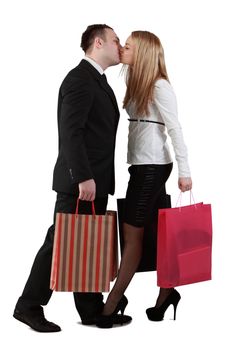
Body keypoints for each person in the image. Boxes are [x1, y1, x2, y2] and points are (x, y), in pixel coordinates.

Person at [13, 24, 132, 332]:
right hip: (82, 183)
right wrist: (83, 177)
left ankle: (90, 308)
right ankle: (28, 306)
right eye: (116, 40)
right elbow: (71, 133)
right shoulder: (80, 79)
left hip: (95, 181)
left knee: (87, 243)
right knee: (60, 242)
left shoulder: (97, 80)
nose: (120, 45)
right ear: (98, 42)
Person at [96, 30, 192, 328]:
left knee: (132, 234)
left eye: (128, 46)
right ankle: (166, 294)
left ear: (145, 53)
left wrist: (185, 171)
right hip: (140, 166)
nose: (122, 49)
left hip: (152, 167)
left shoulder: (160, 85)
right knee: (151, 231)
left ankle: (111, 304)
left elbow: (175, 129)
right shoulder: (137, 80)